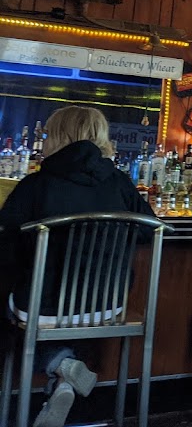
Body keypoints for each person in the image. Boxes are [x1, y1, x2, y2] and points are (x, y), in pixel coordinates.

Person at [0, 105, 154, 427]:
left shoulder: (36, 184)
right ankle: (63, 379)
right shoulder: (120, 182)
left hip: (42, 305)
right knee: (60, 312)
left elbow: (9, 237)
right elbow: (148, 230)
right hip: (108, 304)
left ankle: (61, 365)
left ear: (56, 136)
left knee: (14, 308)